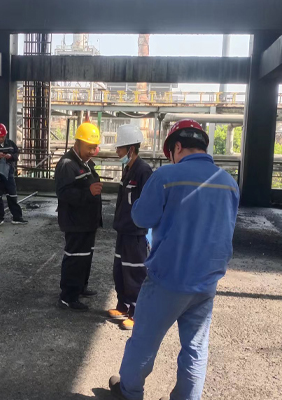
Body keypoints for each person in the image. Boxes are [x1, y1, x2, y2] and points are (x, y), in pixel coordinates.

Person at [109, 119, 239, 400]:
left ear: (177, 147)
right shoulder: (229, 182)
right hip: (206, 283)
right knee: (195, 348)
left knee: (144, 342)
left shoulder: (166, 176)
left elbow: (141, 218)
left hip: (168, 279)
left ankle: (129, 392)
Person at [108, 125, 153, 331]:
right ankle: (123, 306)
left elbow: (148, 203)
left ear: (131, 149)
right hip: (123, 230)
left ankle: (137, 313)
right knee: (120, 269)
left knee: (135, 272)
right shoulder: (127, 169)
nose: (117, 152)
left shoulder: (143, 171)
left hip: (135, 233)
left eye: (120, 148)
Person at [55, 122, 103, 312]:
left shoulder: (85, 162)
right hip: (75, 222)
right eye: (89, 147)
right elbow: (63, 193)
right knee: (75, 257)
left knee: (85, 256)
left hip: (87, 221)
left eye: (94, 147)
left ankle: (80, 287)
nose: (92, 151)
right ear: (77, 144)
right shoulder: (67, 165)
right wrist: (89, 192)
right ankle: (68, 296)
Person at [0, 123, 28, 225]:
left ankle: (17, 217)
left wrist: (11, 156)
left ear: (6, 134)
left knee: (12, 195)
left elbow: (16, 155)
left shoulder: (11, 144)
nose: (1, 139)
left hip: (9, 174)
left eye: (3, 136)